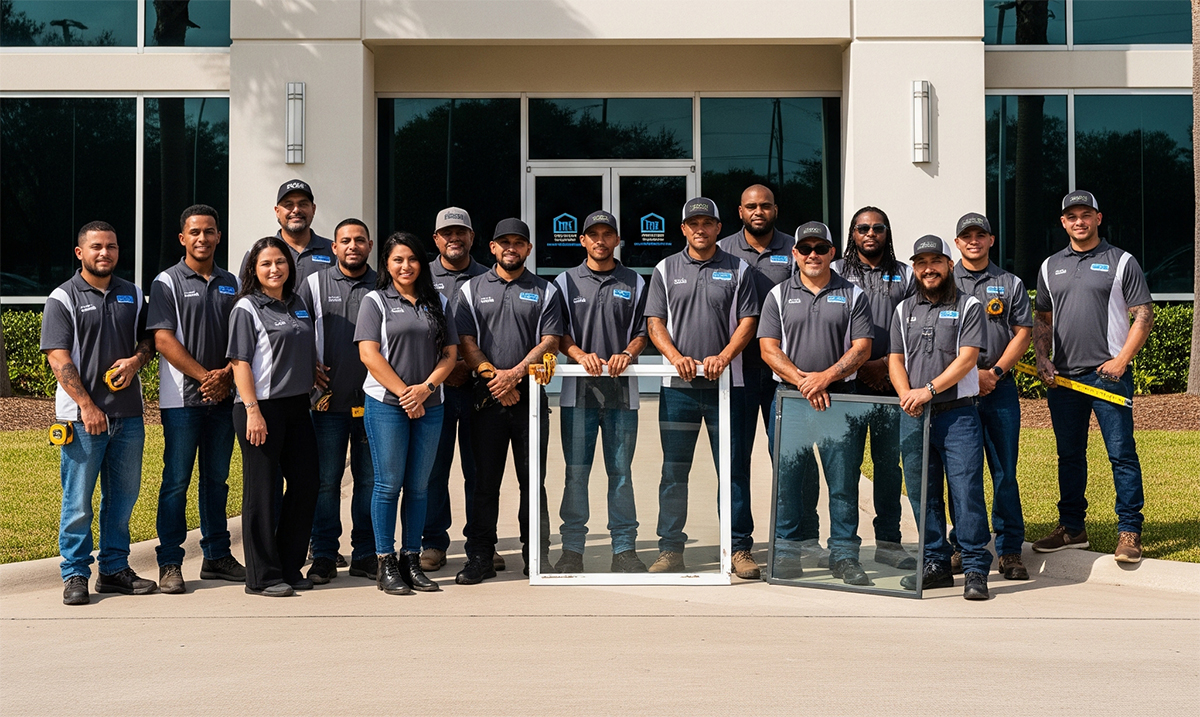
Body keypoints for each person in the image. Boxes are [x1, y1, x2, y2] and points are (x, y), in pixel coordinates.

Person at [1032, 190, 1154, 563]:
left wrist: (1121, 360)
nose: (1079, 221)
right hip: (1064, 380)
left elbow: (1144, 315)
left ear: (1098, 218)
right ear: (1063, 222)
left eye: (1086, 214)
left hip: (1108, 377)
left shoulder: (1121, 262)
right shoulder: (1050, 266)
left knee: (1121, 455)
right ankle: (1072, 528)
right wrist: (1042, 359)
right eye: (1072, 216)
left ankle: (1129, 531)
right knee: (1069, 456)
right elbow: (1042, 319)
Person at [42, 221, 157, 606]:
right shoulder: (63, 297)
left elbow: (148, 340)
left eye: (111, 246)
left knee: (121, 499)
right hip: (81, 419)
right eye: (96, 247)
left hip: (129, 416)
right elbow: (58, 358)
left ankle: (113, 569)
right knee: (77, 501)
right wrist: (88, 407)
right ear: (80, 253)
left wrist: (137, 361)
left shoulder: (133, 294)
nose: (104, 253)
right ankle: (75, 574)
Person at [644, 197, 759, 577]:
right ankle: (671, 549)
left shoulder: (738, 269)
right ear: (682, 229)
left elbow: (747, 321)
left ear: (717, 227)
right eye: (693, 223)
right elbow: (655, 323)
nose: (700, 229)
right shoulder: (664, 269)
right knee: (674, 470)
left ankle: (738, 548)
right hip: (677, 388)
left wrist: (724, 357)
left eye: (707, 223)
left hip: (729, 386)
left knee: (733, 469)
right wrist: (675, 356)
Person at [758, 221, 873, 583]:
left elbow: (862, 347)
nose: (812, 255)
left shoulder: (853, 294)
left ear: (831, 253)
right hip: (791, 398)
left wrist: (825, 378)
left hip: (840, 397)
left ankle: (844, 555)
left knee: (842, 480)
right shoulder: (777, 295)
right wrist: (805, 381)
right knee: (788, 479)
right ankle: (787, 555)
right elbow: (768, 348)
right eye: (805, 248)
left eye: (820, 249)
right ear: (794, 253)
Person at [454, 218, 564, 584]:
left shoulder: (545, 290)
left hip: (530, 400)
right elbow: (466, 342)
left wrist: (513, 375)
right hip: (486, 401)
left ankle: (536, 555)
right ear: (492, 248)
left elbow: (550, 341)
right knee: (484, 483)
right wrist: (495, 378)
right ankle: (480, 556)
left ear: (529, 249)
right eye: (504, 243)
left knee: (533, 481)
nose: (511, 248)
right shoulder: (471, 290)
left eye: (518, 242)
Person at [147, 205, 246, 594]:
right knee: (176, 481)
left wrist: (226, 376)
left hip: (224, 399)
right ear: (182, 239)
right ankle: (170, 561)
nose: (202, 238)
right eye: (195, 232)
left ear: (218, 236)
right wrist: (208, 377)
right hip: (183, 401)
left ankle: (216, 557)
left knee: (217, 481)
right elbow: (162, 339)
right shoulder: (166, 282)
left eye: (209, 231)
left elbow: (242, 335)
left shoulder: (232, 282)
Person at [889, 235, 991, 601]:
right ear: (914, 268)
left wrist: (927, 390)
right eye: (920, 263)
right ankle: (935, 563)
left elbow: (967, 359)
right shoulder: (903, 310)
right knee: (923, 493)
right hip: (915, 414)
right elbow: (895, 359)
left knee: (965, 492)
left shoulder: (969, 305)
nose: (928, 269)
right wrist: (906, 395)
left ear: (949, 265)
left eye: (935, 261)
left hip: (957, 416)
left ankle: (976, 568)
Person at [356, 232, 459, 595]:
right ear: (387, 263)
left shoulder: (439, 302)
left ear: (422, 263)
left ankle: (411, 560)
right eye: (398, 259)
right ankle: (385, 562)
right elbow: (369, 354)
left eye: (412, 259)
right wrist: (405, 394)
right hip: (387, 406)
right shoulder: (375, 301)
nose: (405, 266)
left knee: (419, 487)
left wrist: (425, 390)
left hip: (430, 405)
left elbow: (449, 354)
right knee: (387, 485)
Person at [552, 211, 650, 574]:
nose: (600, 240)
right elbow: (556, 332)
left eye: (607, 234)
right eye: (592, 234)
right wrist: (578, 355)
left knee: (620, 472)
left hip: (622, 394)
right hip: (577, 393)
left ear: (617, 240)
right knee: (575, 473)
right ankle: (572, 550)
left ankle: (624, 550)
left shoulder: (636, 282)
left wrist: (628, 353)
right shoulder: (564, 283)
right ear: (582, 241)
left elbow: (644, 330)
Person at [227, 236, 321, 597]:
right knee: (263, 491)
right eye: (265, 263)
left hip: (297, 406)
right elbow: (240, 362)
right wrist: (252, 410)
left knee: (306, 483)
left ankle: (289, 564)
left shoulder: (297, 304)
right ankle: (262, 576)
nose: (274, 269)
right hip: (259, 408)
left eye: (280, 262)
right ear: (254, 269)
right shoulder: (246, 308)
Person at [831, 206, 917, 571]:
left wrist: (883, 365)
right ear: (852, 233)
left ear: (887, 233)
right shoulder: (835, 271)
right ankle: (844, 548)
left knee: (888, 467)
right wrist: (859, 365)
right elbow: (827, 326)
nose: (870, 233)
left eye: (877, 228)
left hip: (890, 384)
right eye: (862, 228)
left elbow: (916, 323)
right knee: (845, 468)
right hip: (848, 385)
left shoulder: (906, 275)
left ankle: (889, 543)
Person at [951, 212, 1032, 580]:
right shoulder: (941, 280)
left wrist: (994, 373)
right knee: (961, 473)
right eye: (966, 236)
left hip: (998, 388)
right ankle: (962, 544)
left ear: (991, 240)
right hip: (955, 392)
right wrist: (969, 375)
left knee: (1004, 472)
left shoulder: (1009, 283)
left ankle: (1010, 549)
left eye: (980, 235)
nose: (973, 241)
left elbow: (1022, 333)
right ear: (957, 243)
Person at [297, 218, 378, 585]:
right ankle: (325, 554)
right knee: (326, 481)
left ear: (370, 246)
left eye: (359, 240)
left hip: (374, 404)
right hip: (327, 403)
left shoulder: (384, 284)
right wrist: (306, 365)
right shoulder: (314, 283)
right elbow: (294, 327)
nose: (352, 246)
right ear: (334, 247)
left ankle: (364, 553)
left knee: (369, 481)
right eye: (345, 240)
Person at [421, 207, 493, 573]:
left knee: (478, 471)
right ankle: (433, 542)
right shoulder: (420, 276)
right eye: (446, 233)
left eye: (460, 232)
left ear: (471, 237)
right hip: (435, 389)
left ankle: (481, 540)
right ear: (436, 239)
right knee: (434, 470)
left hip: (477, 389)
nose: (454, 238)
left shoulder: (487, 277)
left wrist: (466, 367)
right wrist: (444, 371)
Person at [239, 179, 334, 284]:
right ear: (277, 211)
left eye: (303, 204)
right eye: (288, 205)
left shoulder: (333, 251)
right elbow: (244, 293)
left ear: (313, 209)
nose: (296, 210)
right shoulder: (258, 252)